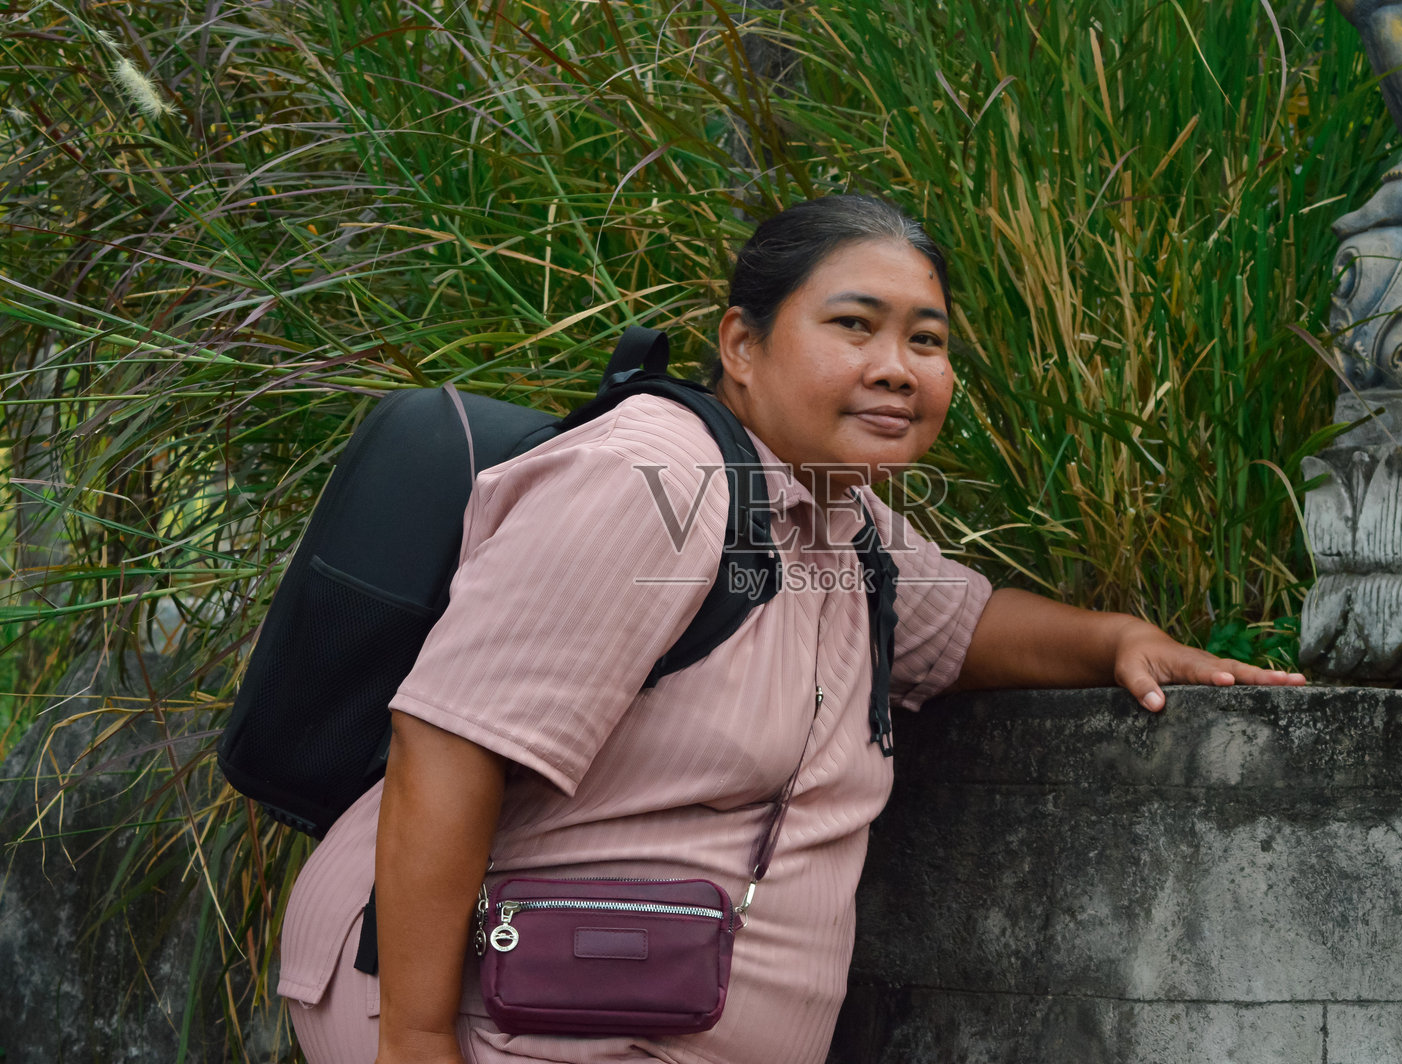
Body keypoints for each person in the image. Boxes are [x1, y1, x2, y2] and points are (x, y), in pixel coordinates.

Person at [275, 194, 1305, 1064]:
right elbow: (449, 738)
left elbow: (966, 623)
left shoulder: (837, 519)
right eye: (854, 326)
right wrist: (414, 1046)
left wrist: (1114, 637)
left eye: (926, 339)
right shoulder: (653, 481)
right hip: (490, 1013)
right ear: (740, 345)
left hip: (618, 1012)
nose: (898, 366)